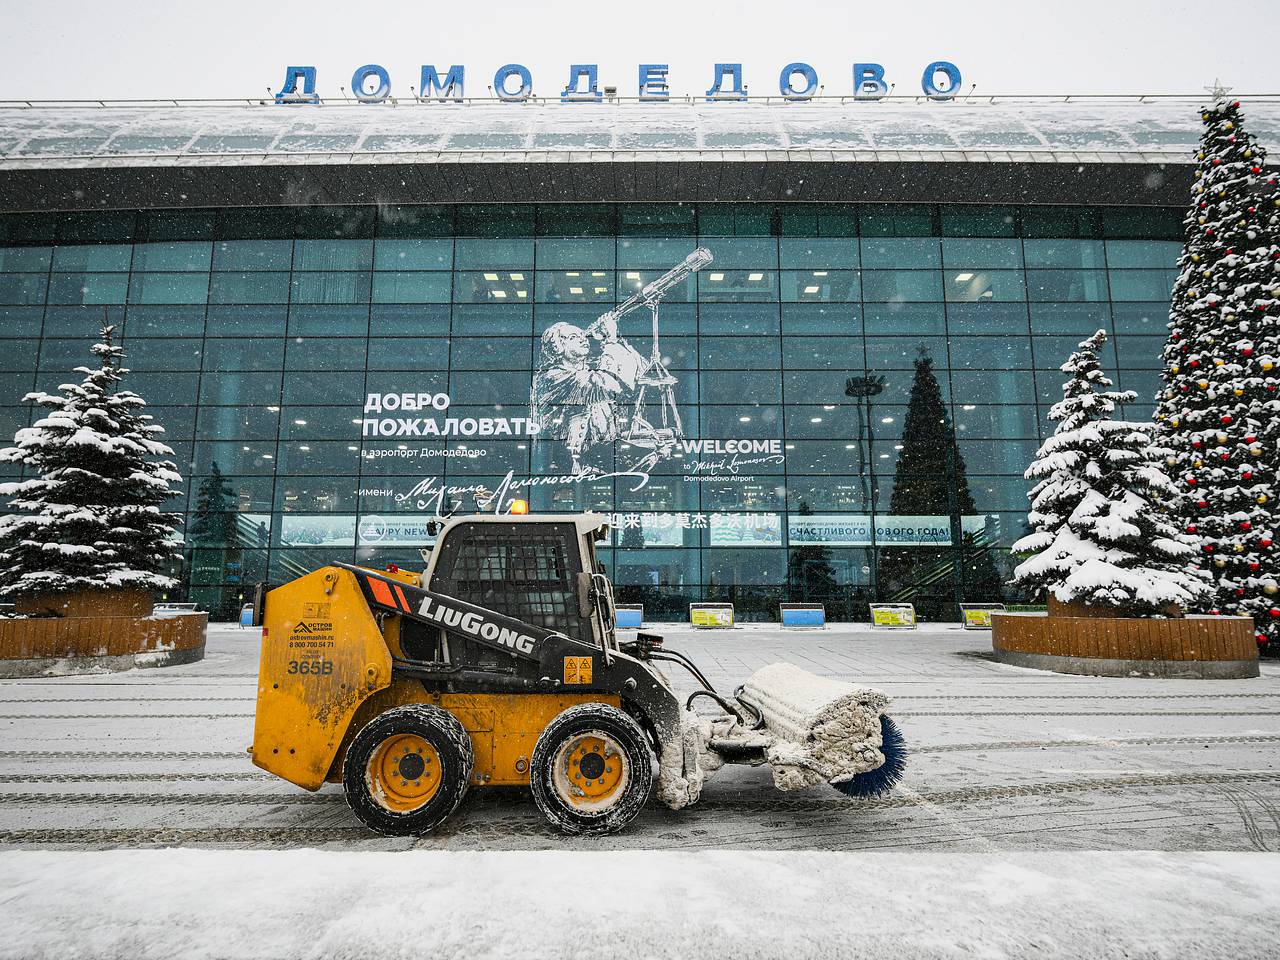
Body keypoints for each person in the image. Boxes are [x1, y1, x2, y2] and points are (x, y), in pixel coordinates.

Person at [531, 316, 645, 473]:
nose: (582, 339)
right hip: (573, 463)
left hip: (604, 457)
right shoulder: (552, 376)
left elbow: (642, 370)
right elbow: (610, 386)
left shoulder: (594, 365)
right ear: (558, 347)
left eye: (582, 335)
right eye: (573, 337)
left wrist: (616, 339)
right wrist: (610, 341)